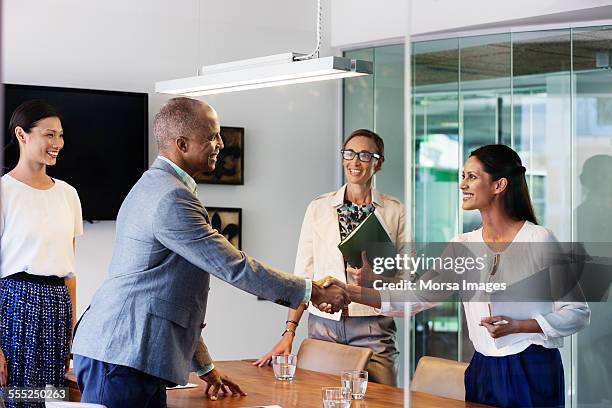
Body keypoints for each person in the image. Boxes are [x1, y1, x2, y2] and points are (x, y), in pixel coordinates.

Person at [71, 97, 349, 408]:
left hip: (125, 352)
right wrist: (310, 290)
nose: (221, 143)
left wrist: (205, 367)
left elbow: (169, 296)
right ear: (182, 143)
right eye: (212, 135)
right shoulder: (171, 198)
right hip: (124, 354)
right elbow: (233, 266)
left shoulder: (156, 187)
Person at [332, 144, 591, 407]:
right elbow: (420, 296)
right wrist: (352, 291)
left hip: (533, 368)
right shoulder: (462, 244)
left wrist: (520, 326)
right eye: (463, 176)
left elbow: (578, 312)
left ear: (499, 185)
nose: (462, 185)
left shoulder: (539, 239)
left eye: (472, 177)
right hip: (482, 370)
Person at [255, 129, 404, 386]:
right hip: (323, 326)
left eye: (365, 155)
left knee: (380, 402)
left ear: (378, 163)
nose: (355, 161)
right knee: (319, 397)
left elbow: (405, 278)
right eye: (349, 153)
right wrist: (289, 331)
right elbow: (303, 277)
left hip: (372, 326)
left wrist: (375, 279)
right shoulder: (319, 208)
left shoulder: (394, 211)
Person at [0, 100, 82, 406]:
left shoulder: (68, 194)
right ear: (22, 135)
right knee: (15, 398)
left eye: (60, 135)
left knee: (54, 399)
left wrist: (73, 332)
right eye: (49, 135)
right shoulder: (4, 191)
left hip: (57, 306)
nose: (57, 144)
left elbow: (70, 270)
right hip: (14, 303)